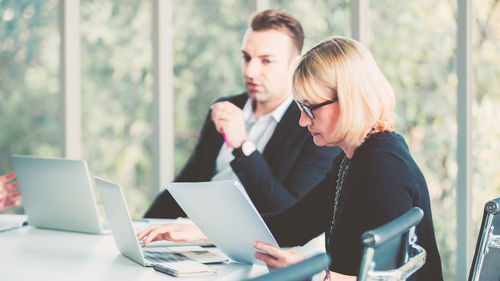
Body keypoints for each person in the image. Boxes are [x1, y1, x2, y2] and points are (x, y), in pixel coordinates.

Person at [138, 36, 444, 280]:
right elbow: (291, 225)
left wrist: (311, 274)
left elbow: (388, 278)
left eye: (310, 108)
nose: (302, 121)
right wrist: (198, 231)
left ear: (349, 99)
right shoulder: (350, 160)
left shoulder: (383, 167)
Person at [144, 10, 340, 218]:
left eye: (266, 61)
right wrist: (143, 227)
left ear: (294, 64)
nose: (250, 71)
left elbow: (290, 214)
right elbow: (187, 184)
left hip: (250, 243)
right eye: (247, 58)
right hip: (196, 234)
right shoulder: (225, 107)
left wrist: (242, 148)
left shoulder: (312, 125)